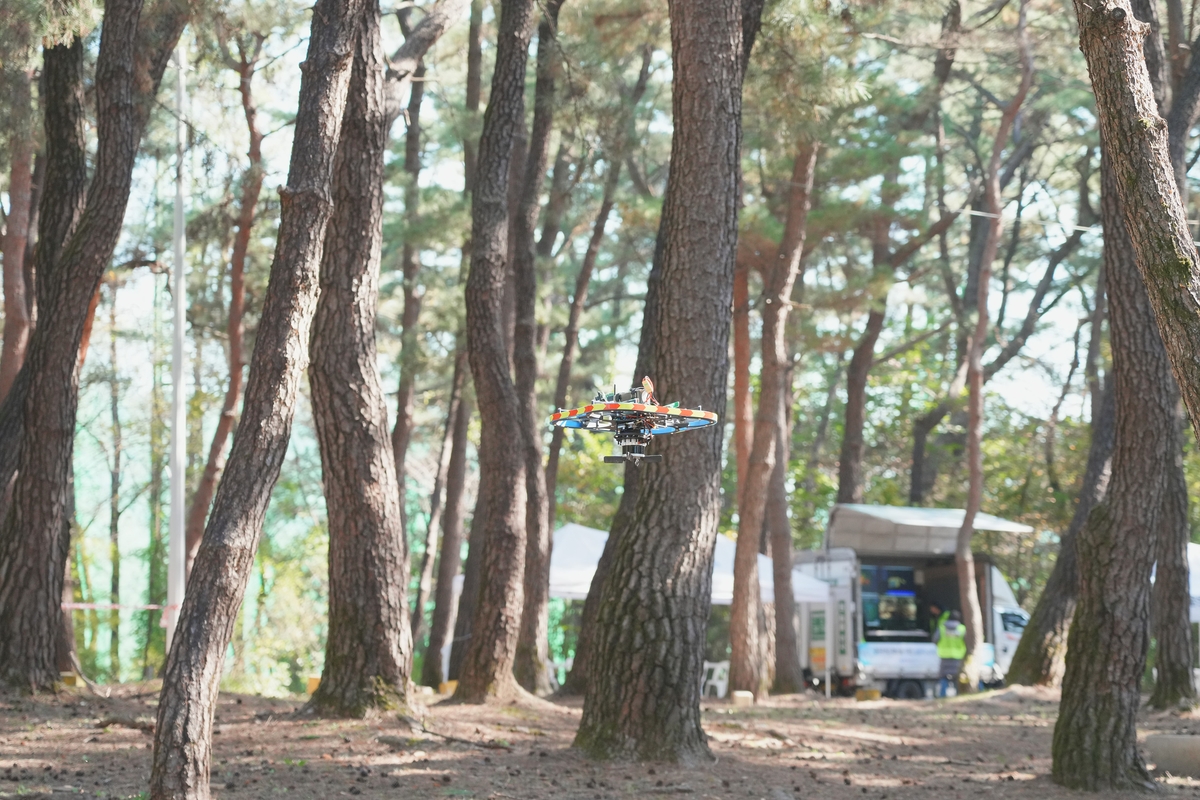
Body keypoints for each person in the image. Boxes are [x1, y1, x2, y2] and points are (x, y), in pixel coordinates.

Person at [933, 609, 966, 697]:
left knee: (943, 678)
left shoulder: (942, 628)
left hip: (944, 657)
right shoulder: (962, 629)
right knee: (957, 678)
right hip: (958, 657)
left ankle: (942, 696)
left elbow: (935, 640)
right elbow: (967, 642)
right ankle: (958, 696)